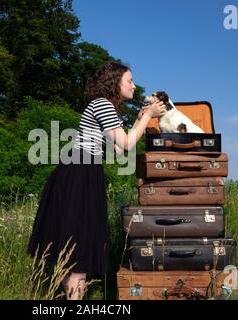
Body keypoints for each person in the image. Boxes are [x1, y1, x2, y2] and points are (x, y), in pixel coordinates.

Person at [27, 61, 167, 300]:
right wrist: (149, 116)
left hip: (83, 170)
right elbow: (126, 144)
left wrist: (141, 118)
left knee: (76, 245)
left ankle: (73, 295)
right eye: (129, 81)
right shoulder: (103, 104)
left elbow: (118, 150)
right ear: (115, 83)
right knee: (79, 247)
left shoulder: (106, 107)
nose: (134, 86)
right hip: (80, 173)